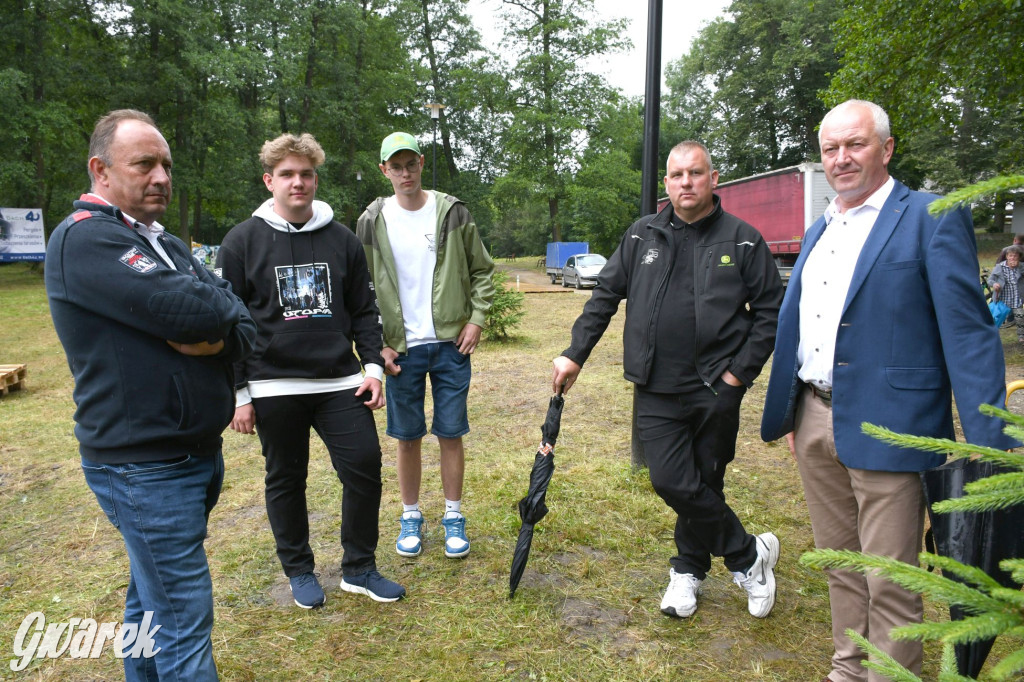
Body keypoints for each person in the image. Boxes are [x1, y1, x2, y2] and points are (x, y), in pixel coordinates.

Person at [760, 100, 1016, 682]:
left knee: (891, 577)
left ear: (887, 148)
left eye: (855, 145)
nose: (841, 159)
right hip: (817, 416)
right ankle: (848, 669)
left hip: (896, 425)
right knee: (841, 566)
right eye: (830, 149)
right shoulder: (822, 226)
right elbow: (808, 326)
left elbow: (969, 334)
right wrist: (796, 415)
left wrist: (991, 443)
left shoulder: (928, 216)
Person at [45, 109, 256, 680]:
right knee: (185, 623)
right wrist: (219, 317)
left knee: (150, 603)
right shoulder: (85, 240)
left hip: (187, 455)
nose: (161, 176)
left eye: (166, 164)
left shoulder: (157, 240)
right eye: (144, 164)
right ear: (101, 170)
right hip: (144, 467)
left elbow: (241, 322)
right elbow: (196, 308)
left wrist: (217, 340)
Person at [551, 140, 785, 620]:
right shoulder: (641, 236)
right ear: (666, 183)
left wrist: (739, 375)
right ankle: (748, 556)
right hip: (656, 386)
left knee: (705, 480)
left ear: (713, 178)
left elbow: (770, 314)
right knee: (671, 480)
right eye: (677, 175)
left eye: (695, 173)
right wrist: (575, 353)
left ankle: (687, 572)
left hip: (716, 388)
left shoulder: (743, 240)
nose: (686, 183)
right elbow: (604, 298)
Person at [217, 133, 405, 608]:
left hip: (340, 381)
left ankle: (359, 568)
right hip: (272, 383)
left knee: (363, 466)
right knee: (286, 477)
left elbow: (365, 310)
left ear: (315, 179)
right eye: (287, 174)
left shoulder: (341, 239)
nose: (297, 182)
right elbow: (228, 319)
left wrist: (372, 369)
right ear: (269, 181)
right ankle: (299, 570)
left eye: (305, 174)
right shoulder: (241, 241)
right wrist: (239, 394)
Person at [356, 132, 494, 559]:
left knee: (451, 434)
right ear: (384, 171)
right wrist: (379, 345)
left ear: (420, 162)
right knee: (407, 436)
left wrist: (476, 318)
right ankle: (411, 515)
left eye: (410, 164)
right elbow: (360, 288)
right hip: (401, 349)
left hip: (451, 345)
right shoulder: (370, 222)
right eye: (394, 166)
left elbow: (483, 271)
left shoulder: (452, 211)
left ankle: (453, 516)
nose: (404, 173)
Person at [989, 244, 1024, 341]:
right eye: (1010, 255)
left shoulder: (1021, 266)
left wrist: (1019, 267)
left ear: (1019, 257)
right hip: (1003, 299)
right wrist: (995, 284)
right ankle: (992, 335)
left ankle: (1021, 336)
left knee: (1020, 317)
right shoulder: (1000, 267)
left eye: (1015, 256)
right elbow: (990, 280)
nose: (1012, 258)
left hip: (1017, 298)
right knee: (997, 318)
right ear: (1007, 256)